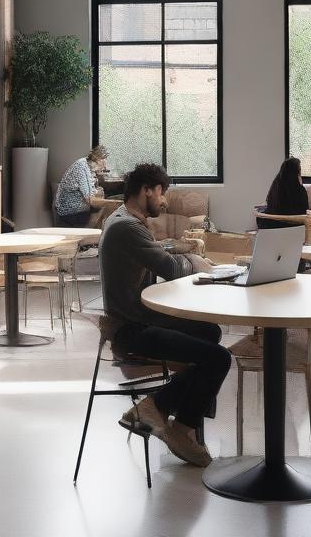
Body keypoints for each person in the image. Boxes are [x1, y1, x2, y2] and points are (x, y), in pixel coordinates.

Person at [98, 162, 231, 467]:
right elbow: (171, 269)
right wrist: (195, 261)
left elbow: (154, 249)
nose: (164, 200)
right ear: (146, 191)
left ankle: (168, 412)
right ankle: (174, 422)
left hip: (137, 318)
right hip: (131, 330)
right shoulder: (126, 228)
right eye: (161, 193)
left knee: (210, 332)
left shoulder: (121, 220)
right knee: (219, 358)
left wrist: (177, 245)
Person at [53, 145, 109, 228]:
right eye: (104, 163)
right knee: (107, 208)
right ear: (99, 160)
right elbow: (90, 199)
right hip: (69, 211)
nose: (105, 167)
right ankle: (88, 235)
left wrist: (98, 192)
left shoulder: (87, 165)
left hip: (76, 207)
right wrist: (112, 202)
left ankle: (94, 235)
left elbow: (92, 191)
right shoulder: (81, 167)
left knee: (104, 207)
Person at [257, 157, 309, 229]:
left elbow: (270, 206)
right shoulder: (300, 190)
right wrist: (301, 186)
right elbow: (305, 213)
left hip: (274, 229)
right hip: (295, 230)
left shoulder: (276, 186)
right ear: (296, 172)